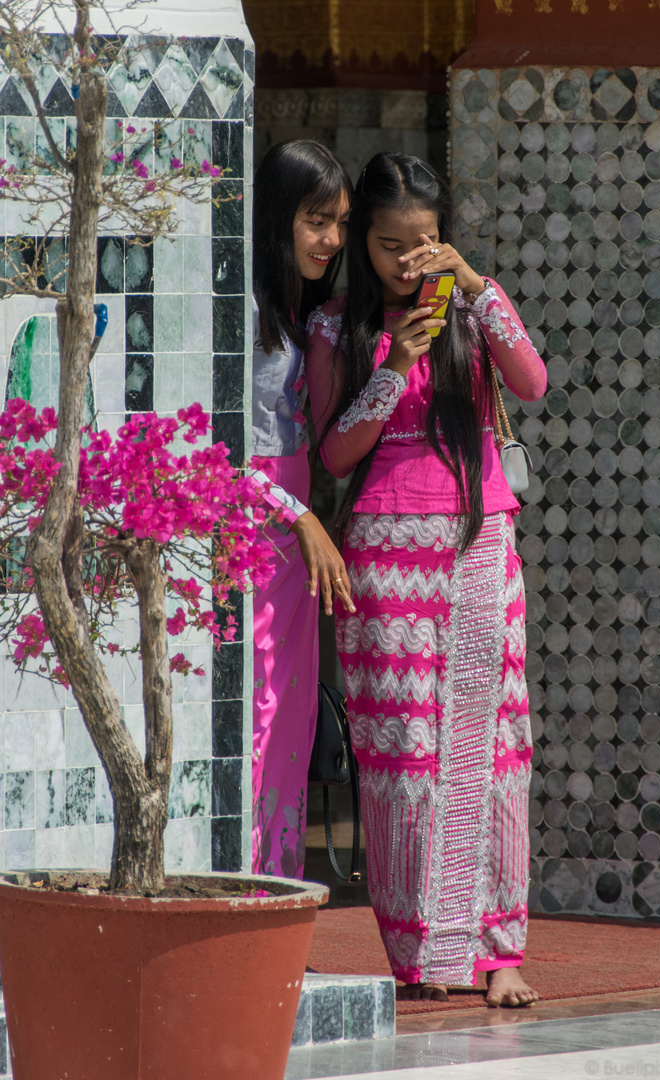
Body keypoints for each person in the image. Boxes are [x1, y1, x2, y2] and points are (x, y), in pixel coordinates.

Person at [305, 152, 546, 1005]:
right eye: (389, 246)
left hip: (480, 542)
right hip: (383, 555)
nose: (409, 261)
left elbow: (533, 381)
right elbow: (333, 456)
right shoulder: (339, 325)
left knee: (492, 747)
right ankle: (426, 956)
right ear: (360, 244)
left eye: (426, 242)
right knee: (403, 757)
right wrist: (391, 372)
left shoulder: (472, 310)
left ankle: (500, 952)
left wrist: (475, 284)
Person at [250, 140, 355, 878]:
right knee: (255, 716)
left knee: (290, 716)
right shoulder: (243, 310)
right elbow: (210, 454)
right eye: (318, 220)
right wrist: (299, 511)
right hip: (245, 547)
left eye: (342, 222)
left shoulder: (295, 315)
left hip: (291, 555)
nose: (333, 240)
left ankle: (276, 896)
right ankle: (247, 883)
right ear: (280, 216)